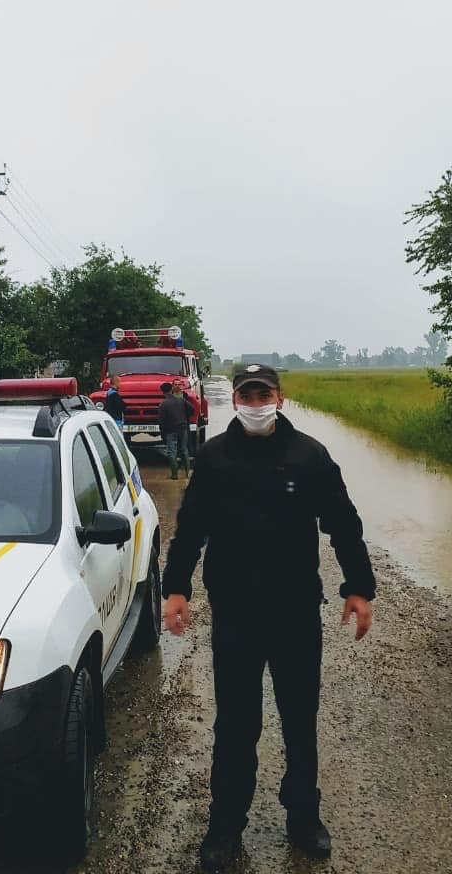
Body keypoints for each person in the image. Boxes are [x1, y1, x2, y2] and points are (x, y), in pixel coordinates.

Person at [161, 364, 375, 870]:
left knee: (300, 719)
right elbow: (190, 527)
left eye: (263, 394)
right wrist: (176, 588)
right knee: (236, 723)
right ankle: (224, 825)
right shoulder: (214, 457)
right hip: (235, 613)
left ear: (280, 398)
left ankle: (303, 816)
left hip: (295, 612)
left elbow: (343, 523)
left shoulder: (310, 456)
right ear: (235, 400)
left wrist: (358, 587)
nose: (255, 403)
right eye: (247, 395)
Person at [158, 379, 193, 479]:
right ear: (171, 389)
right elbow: (192, 409)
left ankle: (174, 475)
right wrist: (185, 418)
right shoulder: (181, 400)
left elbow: (161, 420)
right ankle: (187, 473)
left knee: (172, 452)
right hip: (183, 428)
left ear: (163, 392)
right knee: (184, 450)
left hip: (171, 430)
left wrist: (162, 432)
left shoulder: (163, 404)